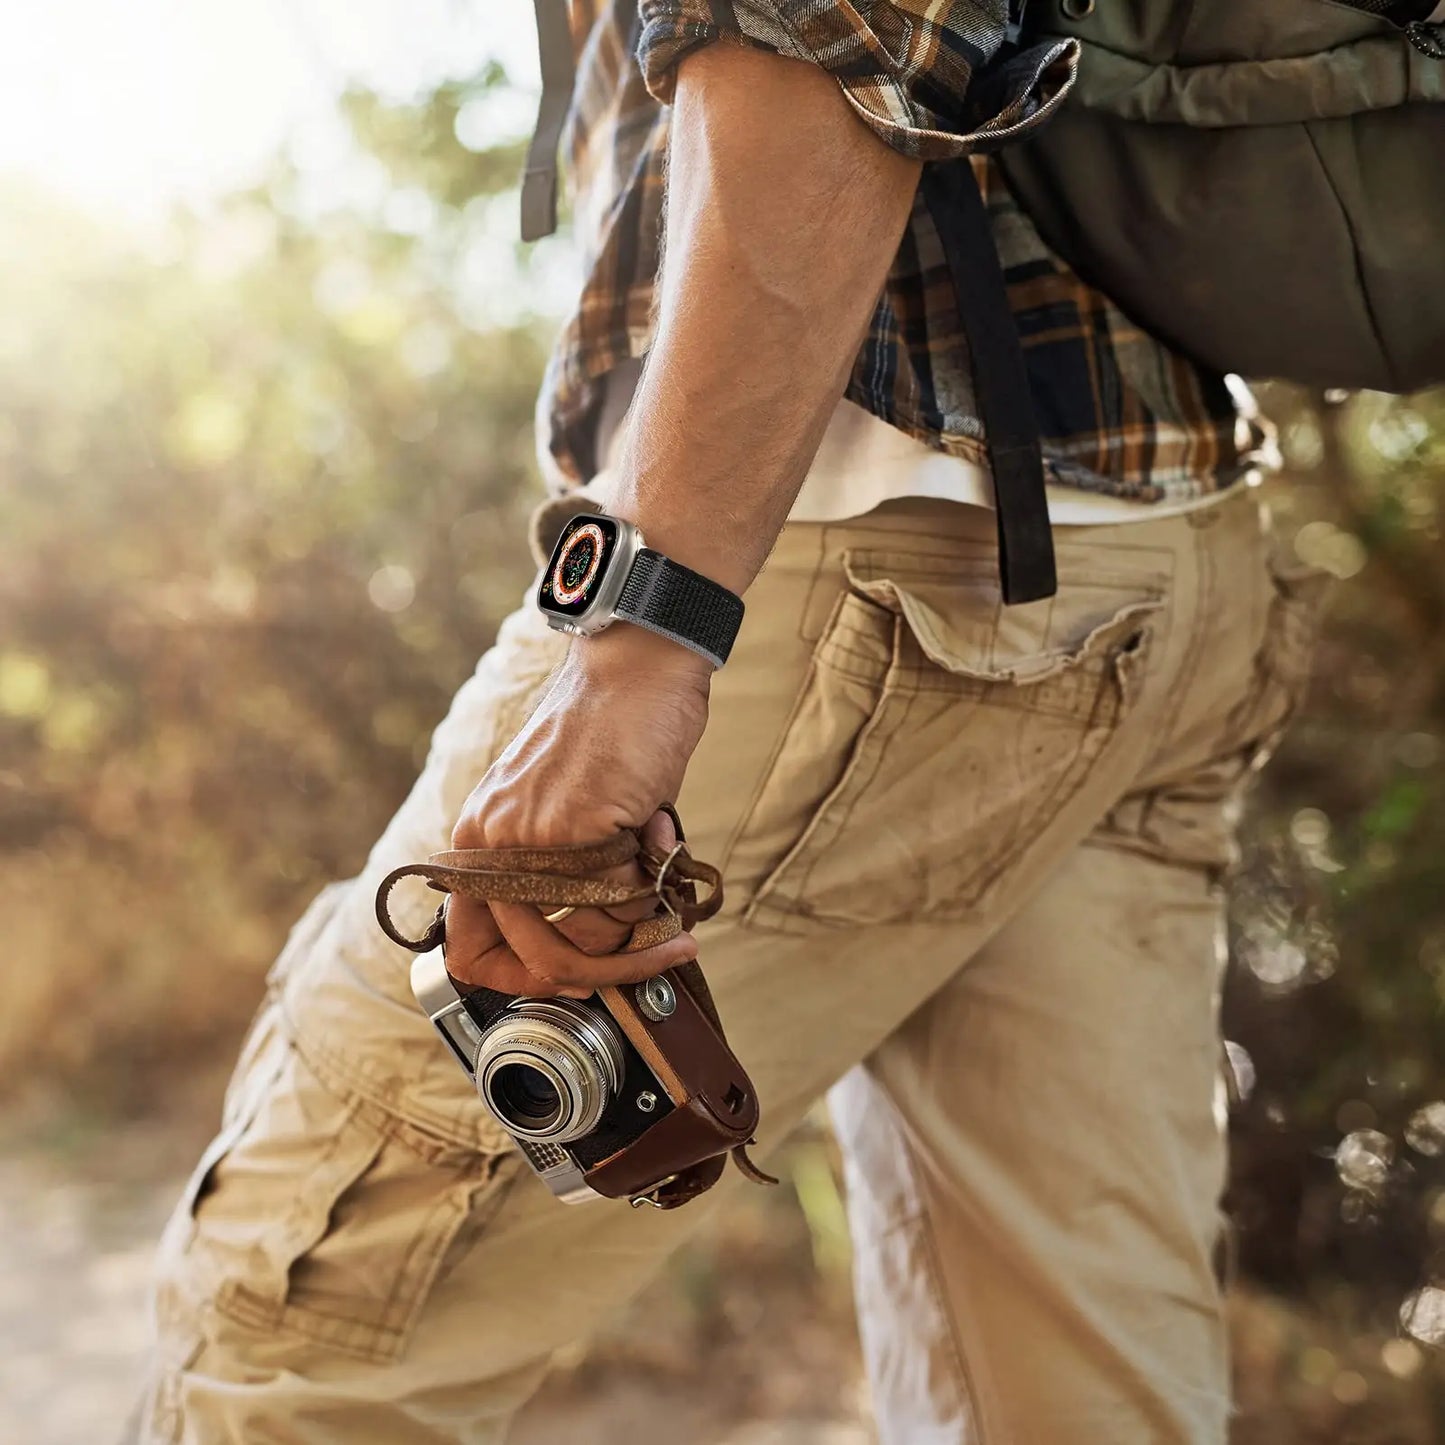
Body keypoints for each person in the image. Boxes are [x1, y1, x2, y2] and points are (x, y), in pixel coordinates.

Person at [134, 3, 1331, 1441]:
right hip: (1160, 560)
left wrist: (642, 637)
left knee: (298, 1334)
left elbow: (830, 37)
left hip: (848, 561)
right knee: (1066, 1398)